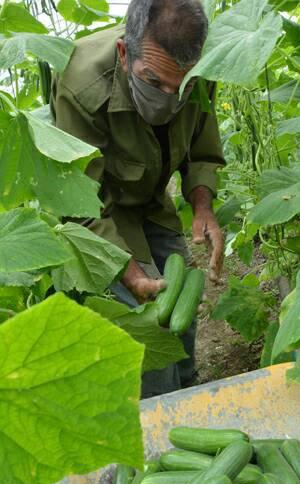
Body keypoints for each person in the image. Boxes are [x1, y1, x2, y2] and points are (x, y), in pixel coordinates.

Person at [50, 0, 226, 397]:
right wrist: (125, 269)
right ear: (124, 54)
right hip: (100, 207)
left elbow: (202, 146)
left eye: (181, 87)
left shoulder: (200, 68)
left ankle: (188, 392)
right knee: (145, 323)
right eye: (153, 82)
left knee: (179, 301)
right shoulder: (80, 85)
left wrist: (202, 205)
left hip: (150, 196)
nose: (169, 98)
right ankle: (157, 414)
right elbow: (78, 198)